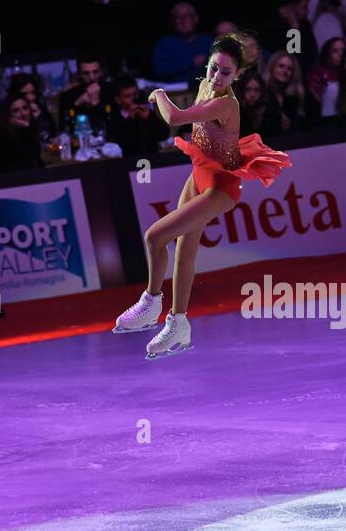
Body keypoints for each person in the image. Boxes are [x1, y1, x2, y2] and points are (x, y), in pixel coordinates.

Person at [113, 35, 292, 358]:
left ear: (236, 76)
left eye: (225, 72)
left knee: (154, 236)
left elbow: (175, 119)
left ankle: (151, 303)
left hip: (221, 186)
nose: (216, 77)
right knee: (184, 249)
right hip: (200, 172)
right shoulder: (206, 86)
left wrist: (160, 95)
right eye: (213, 69)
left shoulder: (226, 103)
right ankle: (179, 323)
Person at [104, 75, 169, 157]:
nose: (133, 99)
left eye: (135, 94)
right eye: (127, 96)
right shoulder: (114, 118)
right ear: (118, 100)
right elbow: (121, 144)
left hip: (152, 161)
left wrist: (149, 118)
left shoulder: (146, 112)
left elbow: (164, 135)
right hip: (128, 163)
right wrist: (130, 120)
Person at [152, 2, 213, 83]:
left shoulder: (207, 41)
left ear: (196, 19)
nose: (182, 21)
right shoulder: (164, 44)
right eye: (178, 17)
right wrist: (191, 62)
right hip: (174, 92)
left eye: (187, 16)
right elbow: (159, 71)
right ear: (172, 21)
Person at [0, 95, 43, 174]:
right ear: (9, 115)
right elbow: (27, 158)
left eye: (25, 108)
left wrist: (34, 122)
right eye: (16, 111)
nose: (23, 113)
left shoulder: (29, 127)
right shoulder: (3, 133)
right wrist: (27, 129)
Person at [238, 70, 283, 141]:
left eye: (257, 90)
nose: (252, 95)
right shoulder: (238, 113)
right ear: (242, 91)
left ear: (262, 92)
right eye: (248, 89)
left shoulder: (271, 113)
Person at [306, 36, 345, 104]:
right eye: (335, 51)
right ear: (327, 55)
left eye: (343, 50)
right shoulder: (317, 74)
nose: (340, 54)